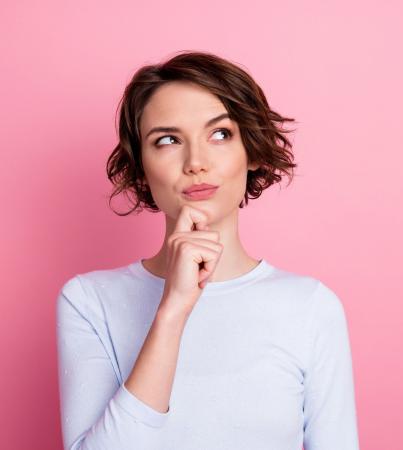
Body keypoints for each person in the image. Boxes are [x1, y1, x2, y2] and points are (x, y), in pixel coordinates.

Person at [56, 50, 360, 450]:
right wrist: (173, 309)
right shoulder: (88, 301)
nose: (196, 161)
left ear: (251, 150)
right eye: (167, 140)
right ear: (142, 168)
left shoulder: (310, 307)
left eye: (220, 134)